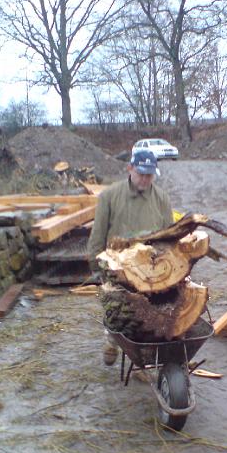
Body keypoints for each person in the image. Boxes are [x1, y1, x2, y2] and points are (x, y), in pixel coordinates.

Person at [87, 150, 174, 366]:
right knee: (117, 309)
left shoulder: (161, 198)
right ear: (130, 169)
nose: (145, 179)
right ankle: (112, 340)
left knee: (149, 312)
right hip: (117, 266)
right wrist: (96, 265)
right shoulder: (109, 196)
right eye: (141, 174)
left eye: (149, 175)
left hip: (150, 269)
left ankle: (141, 357)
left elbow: (170, 235)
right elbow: (97, 235)